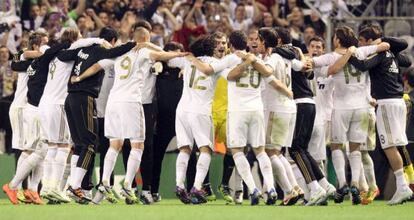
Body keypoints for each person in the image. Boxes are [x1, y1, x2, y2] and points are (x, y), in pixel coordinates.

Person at [58, 27, 136, 204]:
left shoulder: (82, 49)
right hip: (85, 97)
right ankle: (75, 185)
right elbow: (119, 50)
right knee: (90, 144)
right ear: (112, 40)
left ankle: (73, 185)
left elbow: (63, 55)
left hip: (70, 98)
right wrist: (136, 43)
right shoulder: (102, 50)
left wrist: (87, 41)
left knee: (79, 145)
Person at [312, 26, 389, 205]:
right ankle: (355, 183)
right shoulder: (362, 52)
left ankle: (342, 184)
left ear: (337, 40)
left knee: (337, 146)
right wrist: (366, 49)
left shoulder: (331, 56)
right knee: (355, 149)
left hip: (341, 108)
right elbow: (384, 46)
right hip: (362, 108)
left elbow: (313, 63)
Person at [346, 26, 414, 205]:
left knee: (389, 146)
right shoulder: (392, 53)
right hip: (398, 101)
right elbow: (405, 61)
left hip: (387, 103)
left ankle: (402, 187)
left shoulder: (380, 53)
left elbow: (362, 66)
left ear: (369, 41)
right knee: (396, 144)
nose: (359, 44)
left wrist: (350, 53)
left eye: (361, 41)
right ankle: (404, 185)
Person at [3, 30, 72, 205]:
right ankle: (14, 186)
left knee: (34, 150)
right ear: (36, 46)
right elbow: (19, 62)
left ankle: (32, 190)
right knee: (36, 150)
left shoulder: (34, 62)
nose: (47, 47)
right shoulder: (36, 60)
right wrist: (67, 43)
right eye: (44, 43)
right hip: (28, 109)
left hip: (32, 109)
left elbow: (17, 63)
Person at [170, 36, 218, 204]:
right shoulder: (214, 62)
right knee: (206, 150)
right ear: (211, 48)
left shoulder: (187, 60)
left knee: (185, 149)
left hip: (182, 109)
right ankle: (197, 187)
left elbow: (169, 60)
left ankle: (179, 185)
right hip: (201, 111)